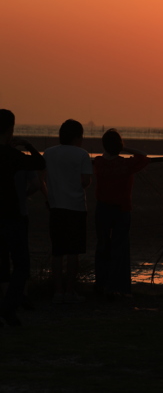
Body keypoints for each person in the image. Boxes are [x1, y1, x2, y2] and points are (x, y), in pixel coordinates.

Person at [0, 109, 46, 327]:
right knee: (21, 265)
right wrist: (28, 146)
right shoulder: (13, 156)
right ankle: (9, 307)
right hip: (12, 215)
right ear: (11, 130)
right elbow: (40, 164)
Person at [92, 129, 149, 299]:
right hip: (122, 209)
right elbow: (143, 157)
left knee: (102, 247)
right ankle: (119, 287)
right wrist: (125, 149)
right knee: (120, 249)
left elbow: (102, 159)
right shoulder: (125, 164)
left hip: (102, 209)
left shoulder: (100, 163)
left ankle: (101, 285)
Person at [43, 119, 93, 304]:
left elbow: (42, 178)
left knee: (57, 251)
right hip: (76, 207)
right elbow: (85, 181)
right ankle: (70, 290)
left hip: (56, 206)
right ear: (78, 137)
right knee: (73, 252)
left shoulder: (49, 153)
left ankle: (58, 291)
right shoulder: (82, 154)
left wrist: (48, 196)